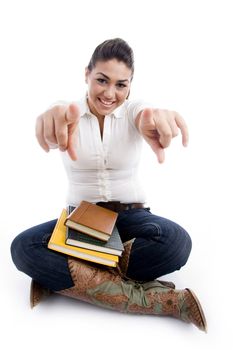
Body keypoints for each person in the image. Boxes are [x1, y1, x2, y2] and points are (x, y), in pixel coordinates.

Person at [10, 38, 206, 331]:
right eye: (102, 80)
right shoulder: (69, 113)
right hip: (82, 219)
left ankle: (68, 282)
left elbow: (144, 113)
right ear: (86, 74)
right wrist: (51, 118)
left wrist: (151, 119)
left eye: (121, 84)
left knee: (176, 243)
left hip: (132, 217)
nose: (110, 93)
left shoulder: (133, 111)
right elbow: (59, 112)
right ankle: (158, 299)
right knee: (23, 247)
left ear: (130, 85)